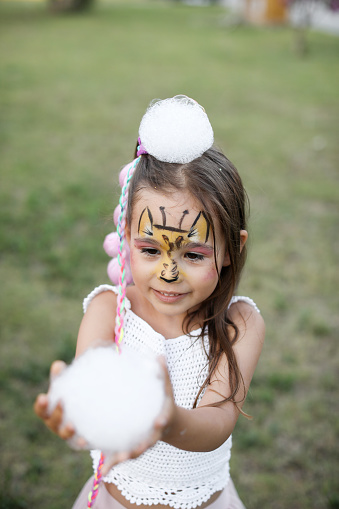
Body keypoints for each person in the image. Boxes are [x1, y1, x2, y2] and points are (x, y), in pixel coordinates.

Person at [34, 95, 265, 509]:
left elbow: (218, 421)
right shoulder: (109, 310)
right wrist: (75, 404)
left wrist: (166, 419)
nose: (168, 274)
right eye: (149, 250)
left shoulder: (239, 324)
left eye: (193, 255)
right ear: (125, 237)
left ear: (231, 248)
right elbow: (95, 375)